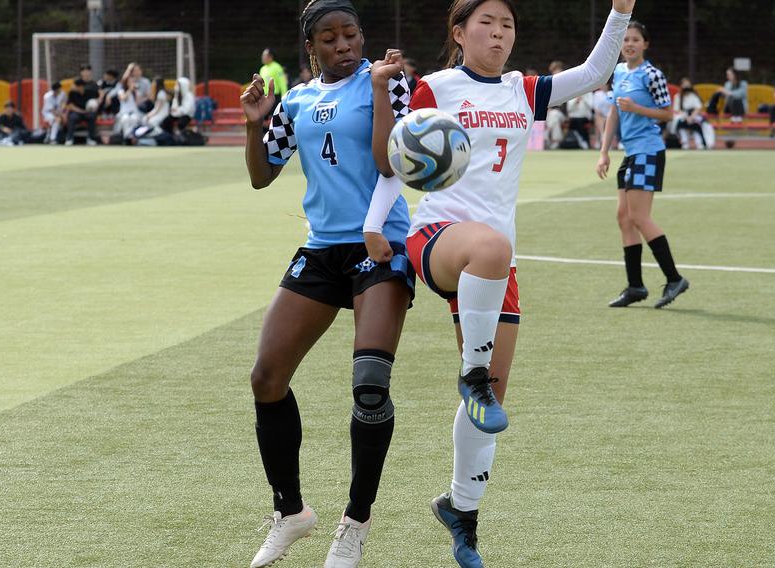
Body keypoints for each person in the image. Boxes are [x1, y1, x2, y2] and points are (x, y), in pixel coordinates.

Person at [370, 1, 633, 566]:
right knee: (490, 255)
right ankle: (472, 377)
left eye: (507, 24)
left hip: (494, 262)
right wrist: (375, 228)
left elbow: (592, 75)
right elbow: (399, 162)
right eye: (486, 23)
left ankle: (461, 509)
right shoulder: (434, 87)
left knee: (498, 389)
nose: (498, 32)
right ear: (459, 33)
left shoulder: (523, 90)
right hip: (438, 237)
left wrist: (620, 11)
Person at [241, 1, 414, 566]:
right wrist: (254, 123)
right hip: (321, 251)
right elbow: (263, 176)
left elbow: (390, 164)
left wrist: (386, 90)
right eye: (330, 38)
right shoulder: (296, 100)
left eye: (351, 34)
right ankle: (290, 512)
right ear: (311, 49)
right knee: (266, 377)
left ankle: (354, 524)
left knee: (369, 385)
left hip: (379, 245)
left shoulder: (389, 81)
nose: (344, 45)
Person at [596, 21, 689, 309]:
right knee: (624, 218)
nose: (629, 44)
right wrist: (604, 151)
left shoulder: (652, 75)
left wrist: (637, 109)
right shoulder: (620, 71)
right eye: (625, 40)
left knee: (639, 217)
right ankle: (635, 286)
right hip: (630, 154)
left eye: (635, 39)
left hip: (648, 152)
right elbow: (613, 111)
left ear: (645, 44)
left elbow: (668, 114)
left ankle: (674, 278)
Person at [671, 77, 706, 149]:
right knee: (680, 123)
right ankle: (685, 143)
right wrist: (686, 117)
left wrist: (691, 117)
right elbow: (677, 110)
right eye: (684, 85)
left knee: (696, 124)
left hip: (693, 115)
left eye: (688, 85)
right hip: (682, 116)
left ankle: (699, 143)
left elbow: (698, 108)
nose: (686, 87)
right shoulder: (677, 96)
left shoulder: (694, 96)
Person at [65, 78, 99, 145]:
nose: (72, 87)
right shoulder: (71, 93)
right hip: (77, 112)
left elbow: (97, 98)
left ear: (80, 86)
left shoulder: (90, 92)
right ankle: (69, 139)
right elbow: (71, 106)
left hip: (88, 112)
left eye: (74, 85)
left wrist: (95, 105)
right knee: (72, 117)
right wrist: (82, 111)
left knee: (92, 116)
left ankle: (90, 139)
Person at [114, 75, 145, 141]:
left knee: (134, 119)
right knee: (126, 119)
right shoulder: (121, 91)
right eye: (130, 82)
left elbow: (138, 103)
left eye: (133, 82)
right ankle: (127, 137)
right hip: (124, 112)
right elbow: (124, 98)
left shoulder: (136, 92)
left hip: (134, 112)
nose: (132, 83)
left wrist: (136, 93)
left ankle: (133, 137)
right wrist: (130, 89)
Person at [593, 81, 615, 149]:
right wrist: (601, 114)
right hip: (600, 115)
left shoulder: (611, 93)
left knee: (610, 119)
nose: (602, 86)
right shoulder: (597, 94)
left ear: (607, 85)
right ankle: (602, 136)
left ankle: (606, 140)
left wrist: (609, 115)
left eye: (604, 85)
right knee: (598, 117)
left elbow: (613, 106)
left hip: (610, 115)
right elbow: (595, 107)